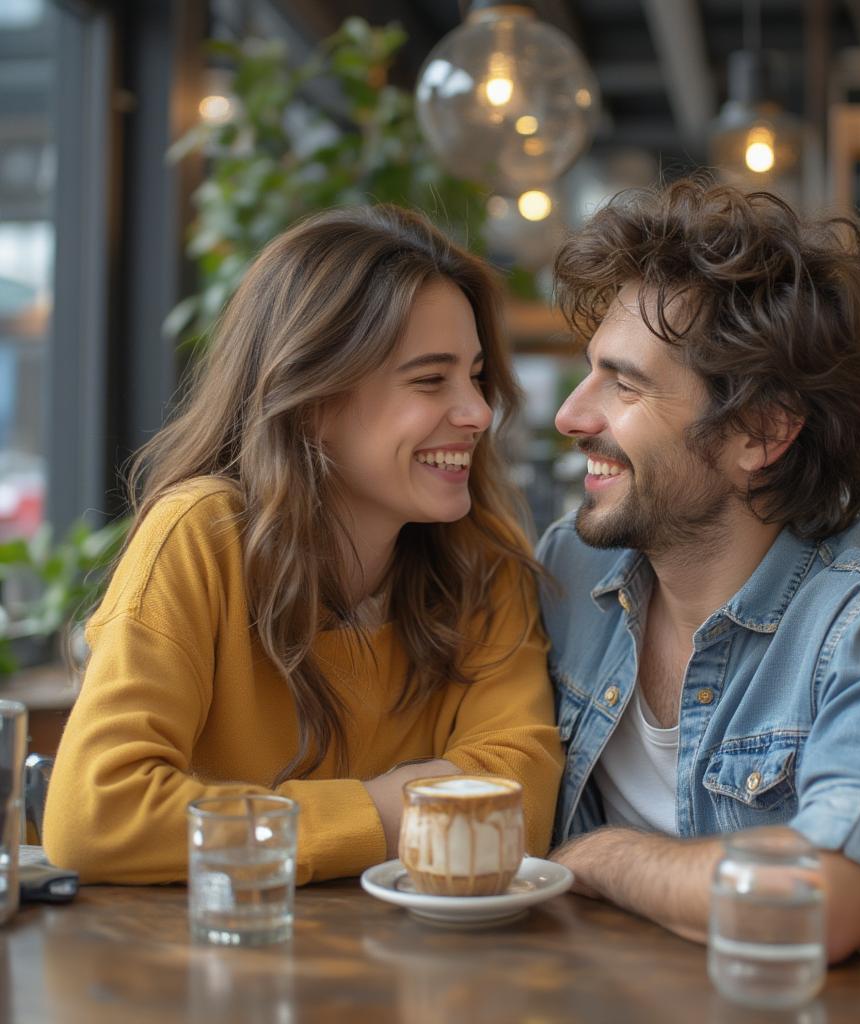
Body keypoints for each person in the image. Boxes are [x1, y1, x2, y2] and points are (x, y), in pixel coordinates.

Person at [43, 205, 562, 884]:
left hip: (414, 975)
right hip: (202, 970)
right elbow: (99, 816)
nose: (479, 412)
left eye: (475, 375)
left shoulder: (484, 565)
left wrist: (229, 824)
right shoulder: (201, 535)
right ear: (315, 399)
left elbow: (520, 805)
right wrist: (389, 807)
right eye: (431, 380)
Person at [536, 179, 860, 963]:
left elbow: (829, 899)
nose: (571, 416)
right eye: (588, 373)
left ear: (760, 431)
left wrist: (597, 859)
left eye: (624, 382)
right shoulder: (568, 570)